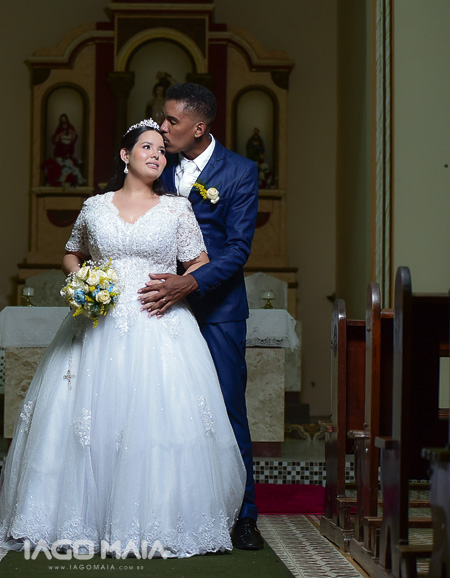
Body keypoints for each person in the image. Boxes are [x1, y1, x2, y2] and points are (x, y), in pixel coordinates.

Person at [0, 120, 246, 557]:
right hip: (96, 324)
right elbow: (71, 253)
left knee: (156, 415)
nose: (157, 155)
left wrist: (177, 285)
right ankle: (76, 519)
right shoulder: (94, 206)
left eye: (162, 150)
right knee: (87, 416)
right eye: (147, 147)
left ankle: (159, 520)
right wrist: (82, 282)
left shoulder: (177, 209)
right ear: (125, 155)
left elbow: (200, 261)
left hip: (159, 322)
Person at [138, 83, 263, 550]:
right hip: (159, 309)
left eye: (171, 120)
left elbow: (238, 249)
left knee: (228, 411)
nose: (162, 127)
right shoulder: (157, 163)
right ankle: (170, 511)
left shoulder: (240, 171)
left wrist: (189, 283)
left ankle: (244, 517)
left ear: (199, 127)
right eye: (162, 118)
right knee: (161, 410)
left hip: (218, 311)